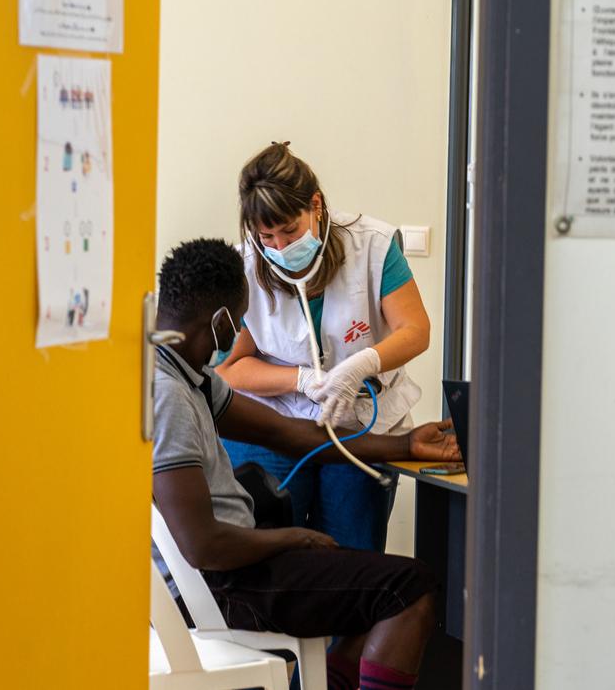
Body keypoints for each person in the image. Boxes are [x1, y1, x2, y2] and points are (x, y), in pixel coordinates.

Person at [152, 238, 459, 690]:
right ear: (219, 321)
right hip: (219, 586)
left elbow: (286, 432)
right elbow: (202, 547)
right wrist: (292, 537)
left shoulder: (186, 375)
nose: (237, 331)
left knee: (368, 587)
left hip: (227, 572)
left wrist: (405, 444)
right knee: (409, 589)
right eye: (237, 322)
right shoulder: (168, 394)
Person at [217, 141, 431, 552]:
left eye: (290, 231)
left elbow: (415, 329)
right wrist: (301, 380)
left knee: (353, 556)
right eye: (268, 236)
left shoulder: (373, 245)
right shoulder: (246, 266)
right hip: (279, 423)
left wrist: (361, 365)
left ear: (315, 205)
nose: (280, 247)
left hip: (361, 423)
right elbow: (231, 367)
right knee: (278, 557)